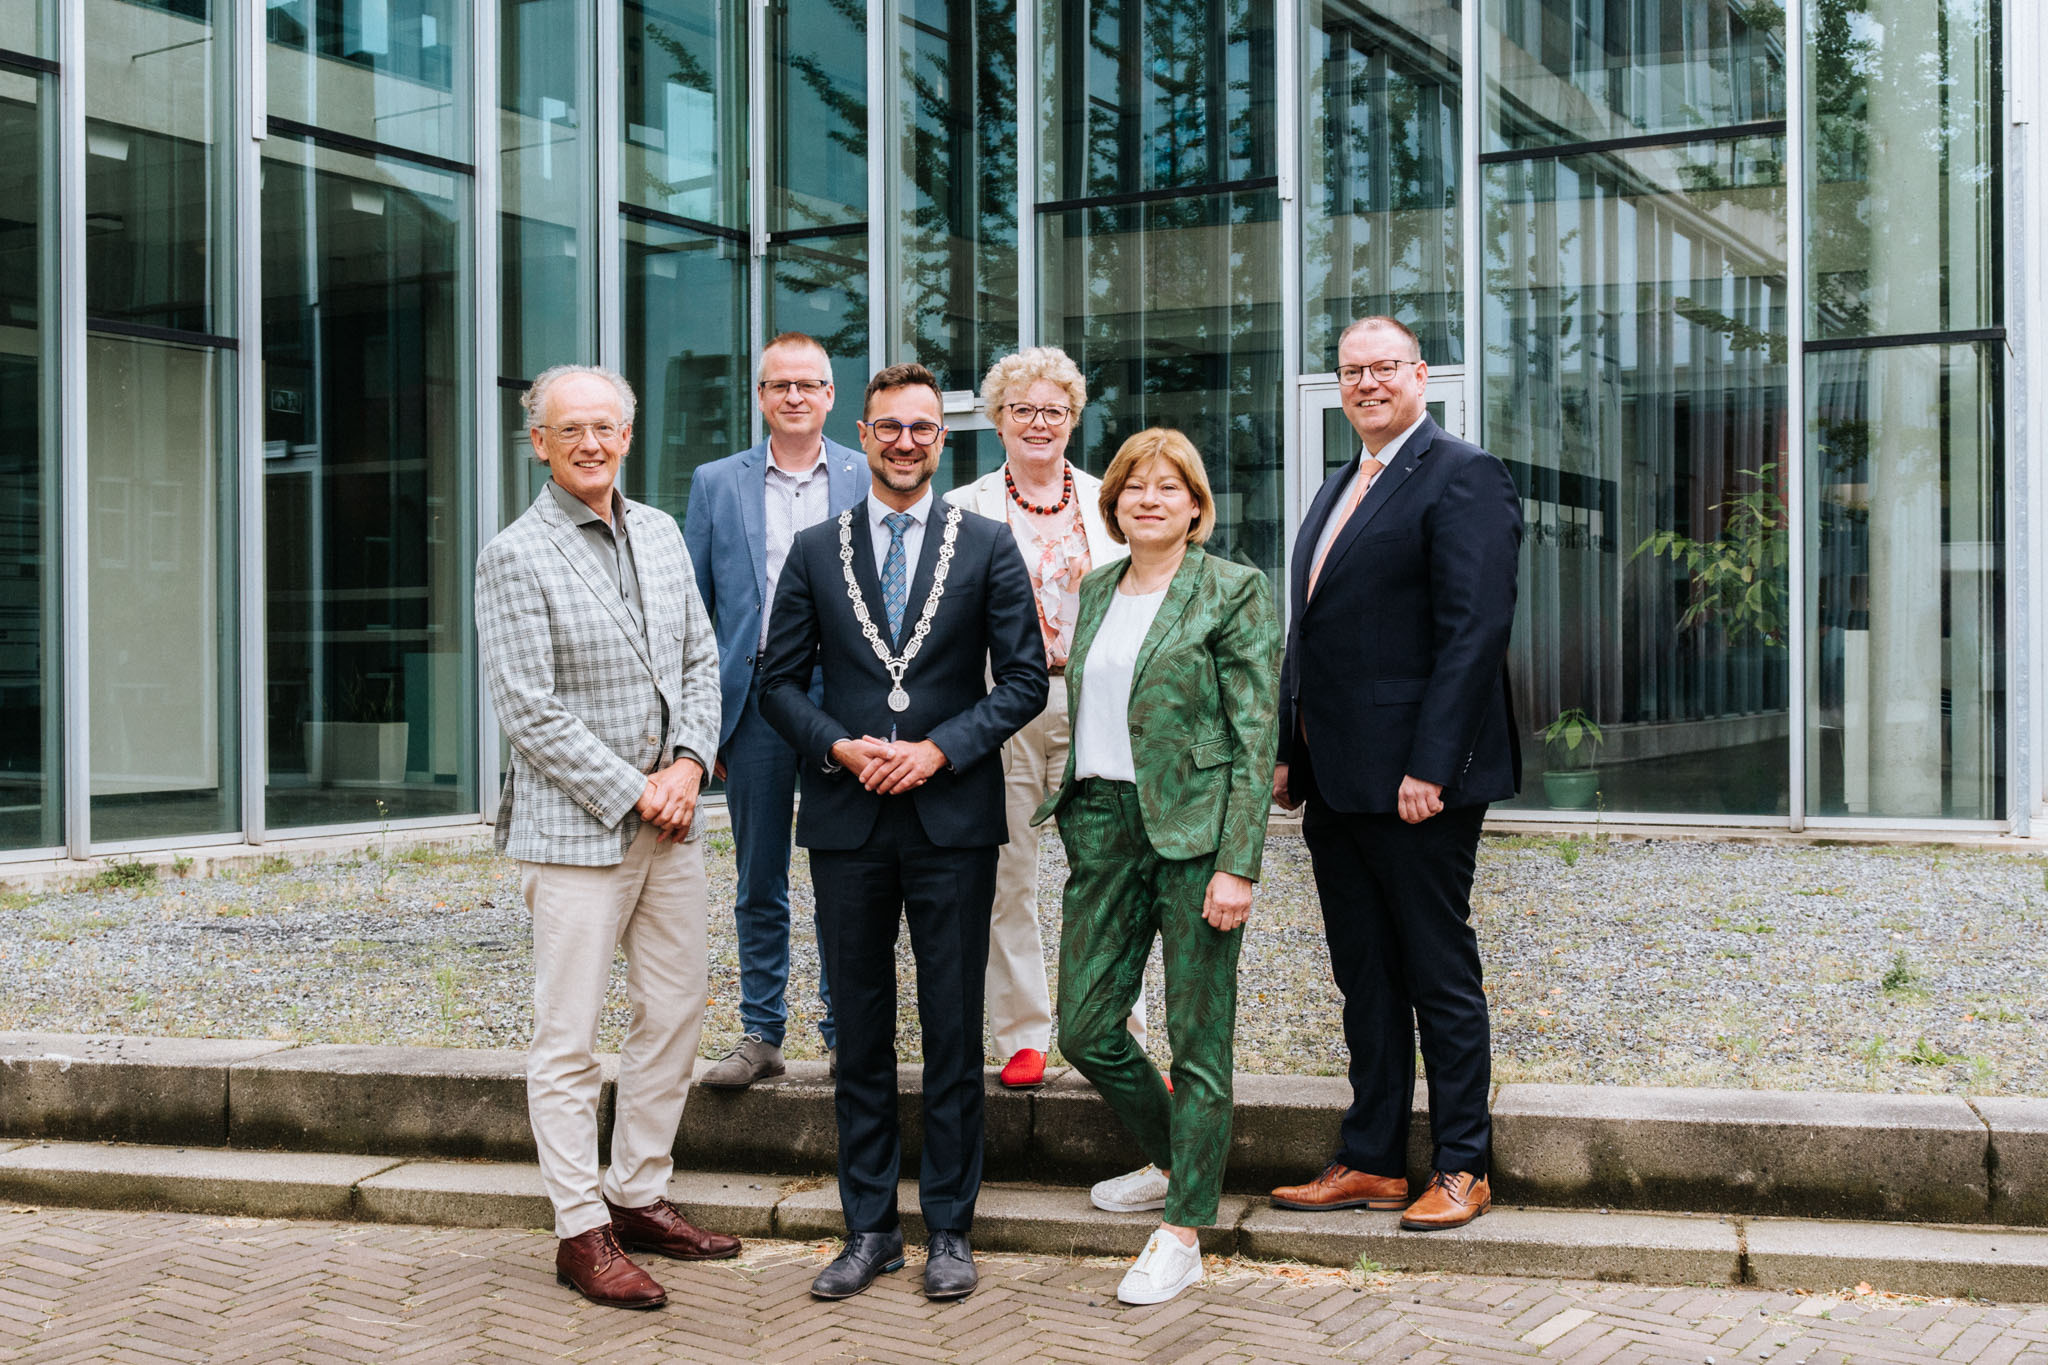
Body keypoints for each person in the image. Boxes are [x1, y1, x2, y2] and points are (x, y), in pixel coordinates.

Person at [759, 361, 1046, 1303]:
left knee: (954, 1029)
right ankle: (870, 1226)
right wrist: (838, 745)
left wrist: (938, 750)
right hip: (847, 821)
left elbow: (1023, 681)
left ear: (941, 437)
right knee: (864, 1034)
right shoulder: (812, 548)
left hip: (951, 818)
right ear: (866, 432)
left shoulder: (990, 544)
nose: (906, 441)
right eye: (890, 426)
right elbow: (776, 684)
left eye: (923, 428)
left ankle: (951, 1229)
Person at [475, 364, 740, 1310]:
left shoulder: (663, 532)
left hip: (671, 820)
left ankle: (636, 1193)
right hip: (577, 830)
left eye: (607, 426)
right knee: (569, 1040)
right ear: (537, 442)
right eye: (570, 428)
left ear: (629, 434)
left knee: (673, 1012)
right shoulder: (516, 553)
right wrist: (638, 789)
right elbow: (529, 712)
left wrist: (686, 761)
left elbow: (702, 660)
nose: (592, 442)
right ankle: (579, 1228)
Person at [1268, 316, 1523, 1232]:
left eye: (1384, 367)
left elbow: (1473, 632)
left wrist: (1434, 766)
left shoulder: (1464, 475)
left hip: (1419, 783)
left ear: (1421, 375)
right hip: (1336, 781)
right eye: (1351, 370)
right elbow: (1312, 631)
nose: (1368, 382)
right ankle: (1373, 1156)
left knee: (1436, 971)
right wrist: (1289, 752)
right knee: (1364, 975)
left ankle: (1463, 1163)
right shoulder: (1341, 483)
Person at [1034, 427, 1279, 1307]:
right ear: (1115, 504)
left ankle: (1182, 1231)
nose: (1149, 498)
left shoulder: (1234, 589)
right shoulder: (1097, 588)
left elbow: (1256, 735)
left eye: (1169, 487)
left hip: (1195, 833)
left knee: (1199, 1036)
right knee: (1086, 1026)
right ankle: (1181, 1159)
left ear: (1195, 504)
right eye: (1134, 485)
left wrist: (1237, 862)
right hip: (1102, 822)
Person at [942, 347, 1138, 1091]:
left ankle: (1118, 1028)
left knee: (1112, 873)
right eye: (1022, 408)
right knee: (1007, 876)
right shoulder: (963, 508)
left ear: (1072, 419)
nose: (1038, 422)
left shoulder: (1108, 499)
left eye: (1053, 410)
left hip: (1095, 704)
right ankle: (1023, 1034)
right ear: (998, 419)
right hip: (1002, 706)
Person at [683, 332, 868, 1088]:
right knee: (758, 876)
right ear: (761, 396)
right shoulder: (716, 482)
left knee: (841, 872)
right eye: (779, 384)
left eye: (809, 383)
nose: (794, 395)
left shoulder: (864, 475)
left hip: (842, 699)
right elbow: (694, 610)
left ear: (831, 396)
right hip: (754, 699)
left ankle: (841, 1029)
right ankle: (761, 1032)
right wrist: (703, 724)